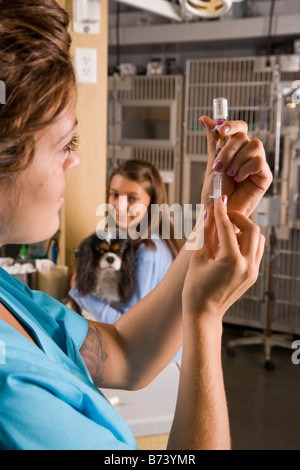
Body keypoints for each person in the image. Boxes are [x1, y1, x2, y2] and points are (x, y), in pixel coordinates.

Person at [0, 0, 272, 450]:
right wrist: (205, 319)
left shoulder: (8, 297)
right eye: (65, 143)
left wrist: (212, 209)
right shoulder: (17, 401)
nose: (76, 160)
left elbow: (124, 353)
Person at [69, 160, 182, 327]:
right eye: (115, 195)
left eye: (132, 198)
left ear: (151, 204)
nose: (120, 207)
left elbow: (128, 325)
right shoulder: (129, 239)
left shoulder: (149, 253)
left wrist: (79, 291)